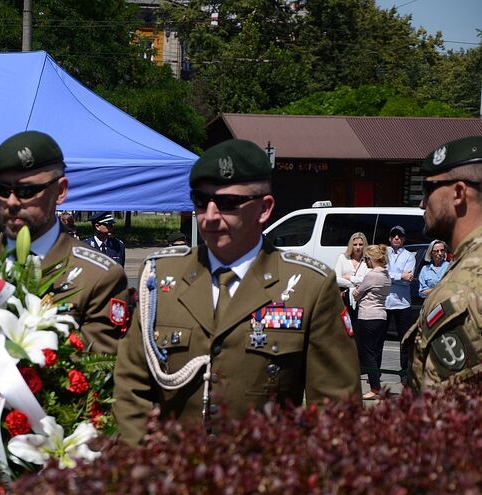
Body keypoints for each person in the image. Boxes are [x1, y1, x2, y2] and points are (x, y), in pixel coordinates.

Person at [113, 139, 360, 445]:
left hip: (262, 483)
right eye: (201, 201)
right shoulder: (161, 279)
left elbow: (335, 410)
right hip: (170, 481)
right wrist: (138, 468)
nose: (211, 215)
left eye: (229, 203)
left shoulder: (309, 286)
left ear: (264, 208)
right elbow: (130, 386)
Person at [0, 130, 128, 353]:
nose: (12, 202)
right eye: (3, 190)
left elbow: (99, 370)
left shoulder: (97, 277)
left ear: (60, 191)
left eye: (27, 190)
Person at [406, 135, 482, 393]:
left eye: (429, 189)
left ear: (459, 193)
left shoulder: (461, 294)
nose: (422, 203)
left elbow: (444, 419)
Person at [352, 244, 391, 399]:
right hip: (381, 315)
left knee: (367, 353)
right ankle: (375, 384)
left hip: (368, 316)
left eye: (366, 259)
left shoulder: (372, 275)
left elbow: (357, 293)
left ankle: (375, 388)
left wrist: (357, 291)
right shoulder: (386, 275)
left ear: (372, 259)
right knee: (374, 352)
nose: (366, 262)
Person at [384, 226, 417, 383]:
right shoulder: (384, 253)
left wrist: (392, 277)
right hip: (384, 302)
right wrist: (399, 275)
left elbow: (407, 280)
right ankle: (374, 373)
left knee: (404, 340)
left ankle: (404, 373)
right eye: (394, 235)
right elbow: (382, 275)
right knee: (378, 340)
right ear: (390, 239)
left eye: (400, 236)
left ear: (404, 239)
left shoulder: (410, 256)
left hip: (402, 304)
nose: (396, 237)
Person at [334, 232, 368, 316]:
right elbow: (336, 279)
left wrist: (349, 277)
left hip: (362, 300)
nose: (358, 247)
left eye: (360, 244)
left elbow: (367, 280)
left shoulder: (367, 260)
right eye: (355, 244)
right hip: (344, 299)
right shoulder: (343, 257)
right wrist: (352, 285)